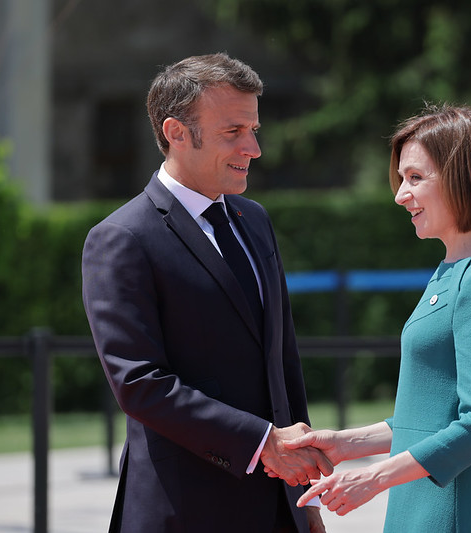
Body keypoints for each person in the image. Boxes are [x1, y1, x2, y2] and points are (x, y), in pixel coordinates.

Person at [81, 52, 332, 533]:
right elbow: (139, 383)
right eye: (233, 132)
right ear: (175, 133)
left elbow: (283, 364)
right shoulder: (121, 239)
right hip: (185, 511)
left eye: (254, 130)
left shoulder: (254, 221)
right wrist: (262, 442)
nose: (254, 148)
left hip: (278, 510)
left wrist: (305, 500)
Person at [282, 104, 471, 532]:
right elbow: (430, 415)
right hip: (424, 502)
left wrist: (374, 478)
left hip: (454, 509)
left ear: (462, 177)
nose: (400, 194)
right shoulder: (452, 269)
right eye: (402, 179)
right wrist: (346, 443)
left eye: (415, 178)